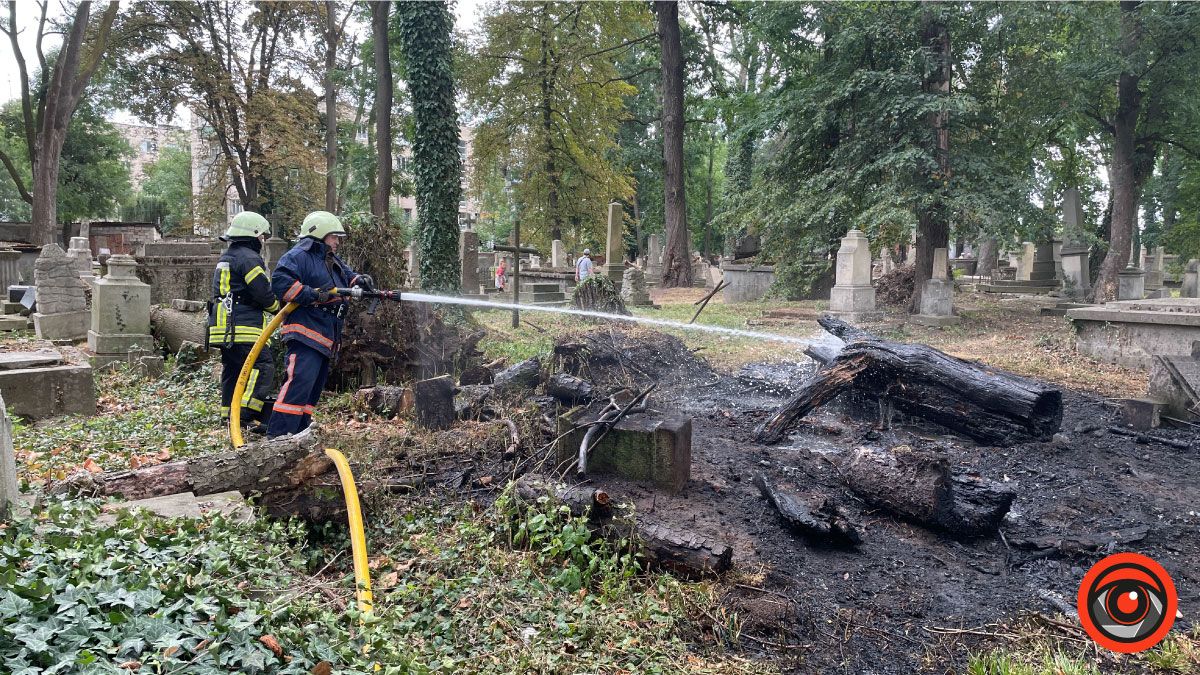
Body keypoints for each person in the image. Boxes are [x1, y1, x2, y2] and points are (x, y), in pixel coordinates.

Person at [266, 211, 372, 438]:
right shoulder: (297, 256)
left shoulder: (330, 258)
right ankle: (277, 440)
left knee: (311, 391)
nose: (337, 241)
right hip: (305, 331)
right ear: (320, 234)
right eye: (334, 236)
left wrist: (359, 280)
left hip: (325, 334)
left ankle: (300, 437)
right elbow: (281, 283)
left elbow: (346, 276)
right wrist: (312, 295)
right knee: (299, 385)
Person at [208, 211, 280, 432]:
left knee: (234, 370)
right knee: (263, 366)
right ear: (253, 235)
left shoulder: (227, 257)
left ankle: (228, 415)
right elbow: (262, 293)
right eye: (261, 236)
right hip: (243, 327)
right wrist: (279, 309)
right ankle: (244, 416)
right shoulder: (249, 259)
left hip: (223, 328)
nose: (263, 241)